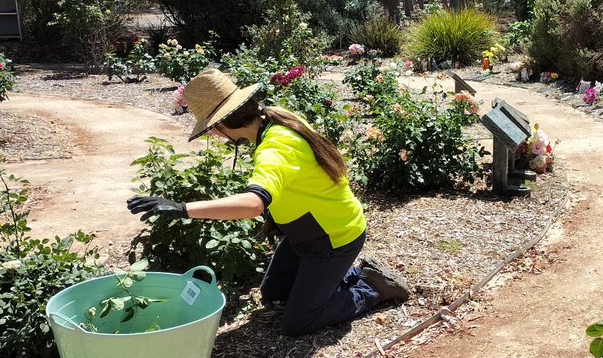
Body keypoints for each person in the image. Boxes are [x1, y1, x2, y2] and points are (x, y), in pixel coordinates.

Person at [126, 68, 410, 336]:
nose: (211, 135)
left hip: (334, 238)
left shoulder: (274, 148)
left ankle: (372, 286)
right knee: (274, 293)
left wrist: (182, 208)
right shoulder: (275, 118)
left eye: (210, 128)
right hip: (306, 235)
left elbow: (253, 204)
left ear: (225, 123)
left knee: (298, 322)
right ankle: (333, 279)